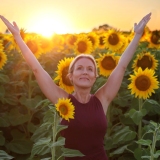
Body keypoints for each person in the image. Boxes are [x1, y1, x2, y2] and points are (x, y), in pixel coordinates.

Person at [0, 12, 151, 160]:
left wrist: (137, 35)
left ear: (95, 77)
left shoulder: (102, 99)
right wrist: (18, 37)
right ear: (70, 76)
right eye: (79, 68)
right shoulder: (62, 101)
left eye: (90, 69)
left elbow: (122, 67)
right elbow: (37, 70)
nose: (85, 72)